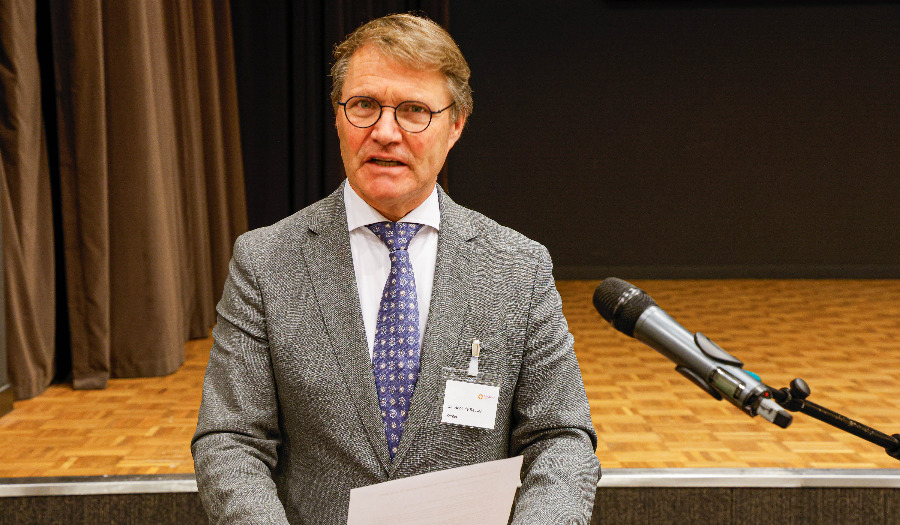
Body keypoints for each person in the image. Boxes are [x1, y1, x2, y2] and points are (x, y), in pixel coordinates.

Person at [192, 13, 600, 524]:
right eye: (364, 105)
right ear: (338, 116)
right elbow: (231, 440)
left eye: (413, 111)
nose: (385, 132)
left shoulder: (519, 267)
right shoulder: (265, 261)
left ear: (456, 125)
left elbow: (560, 438)